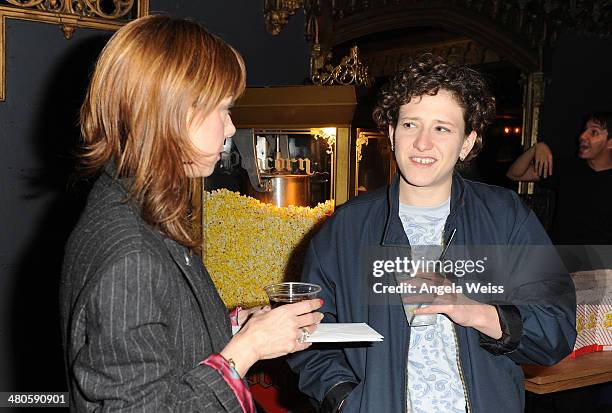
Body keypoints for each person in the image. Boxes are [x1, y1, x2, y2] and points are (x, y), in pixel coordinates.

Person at [60, 16, 323, 412]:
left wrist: (238, 324)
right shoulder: (130, 254)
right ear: (170, 114)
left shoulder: (141, 206)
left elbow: (163, 338)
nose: (231, 127)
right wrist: (246, 350)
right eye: (221, 109)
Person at [288, 54, 576, 412]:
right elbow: (308, 334)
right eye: (411, 125)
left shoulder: (505, 218)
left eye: (442, 128)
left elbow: (556, 331)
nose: (423, 143)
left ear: (468, 142)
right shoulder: (346, 228)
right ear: (392, 133)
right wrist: (345, 398)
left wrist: (472, 311)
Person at [506, 112, 612, 244]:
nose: (582, 136)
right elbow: (514, 174)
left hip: (601, 261)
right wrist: (535, 149)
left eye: (594, 132)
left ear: (610, 143)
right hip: (562, 258)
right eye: (585, 130)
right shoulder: (569, 168)